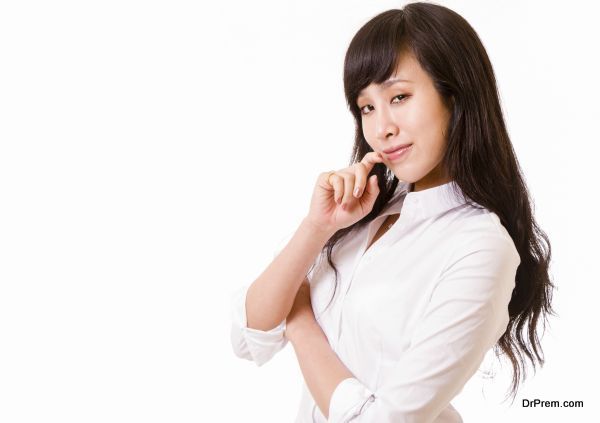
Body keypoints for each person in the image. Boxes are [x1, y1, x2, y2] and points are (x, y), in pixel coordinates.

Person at [229, 2, 556, 422]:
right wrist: (317, 226)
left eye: (399, 97)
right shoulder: (358, 217)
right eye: (366, 107)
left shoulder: (480, 246)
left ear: (455, 98)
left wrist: (300, 322)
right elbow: (247, 337)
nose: (380, 128)